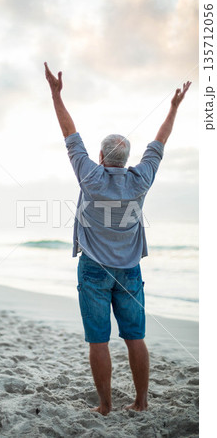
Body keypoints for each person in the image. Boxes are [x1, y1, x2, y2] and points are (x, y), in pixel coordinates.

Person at [44, 61, 191, 416]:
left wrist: (56, 93)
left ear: (100, 157)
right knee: (134, 337)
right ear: (127, 160)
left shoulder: (89, 175)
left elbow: (69, 133)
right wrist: (173, 108)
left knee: (98, 340)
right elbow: (160, 141)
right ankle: (141, 403)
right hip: (129, 272)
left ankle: (106, 406)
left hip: (94, 270)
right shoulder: (141, 179)